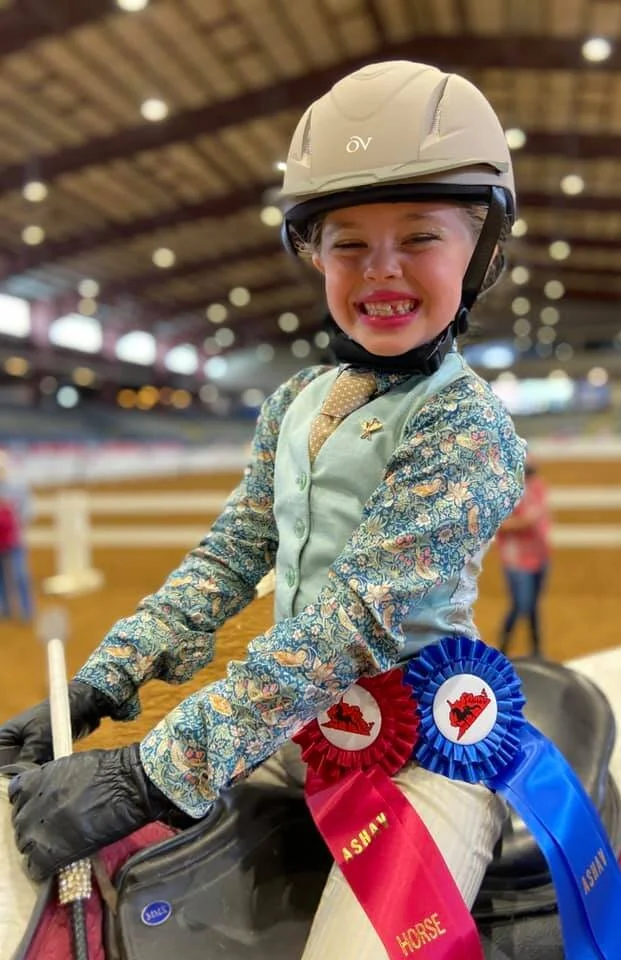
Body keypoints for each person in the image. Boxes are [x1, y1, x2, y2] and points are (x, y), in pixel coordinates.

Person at [1, 61, 526, 956]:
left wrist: (146, 772)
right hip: (295, 727)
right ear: (314, 256)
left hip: (425, 751)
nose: (381, 270)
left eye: (420, 238)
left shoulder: (469, 427)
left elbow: (350, 626)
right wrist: (102, 683)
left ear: (480, 253)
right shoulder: (295, 402)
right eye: (348, 243)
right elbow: (227, 560)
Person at [495, 453, 551, 656]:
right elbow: (500, 524)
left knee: (533, 606)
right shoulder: (508, 492)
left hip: (539, 556)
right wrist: (524, 522)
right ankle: (503, 647)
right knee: (521, 604)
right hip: (517, 559)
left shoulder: (537, 486)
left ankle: (536, 650)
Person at [0, 451, 33, 621]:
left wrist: (15, 527)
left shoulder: (17, 486)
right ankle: (4, 610)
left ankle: (27, 610)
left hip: (14, 540)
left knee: (20, 575)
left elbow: (27, 511)